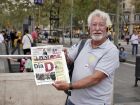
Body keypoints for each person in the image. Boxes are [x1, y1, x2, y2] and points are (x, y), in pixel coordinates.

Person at [52, 9, 119, 105]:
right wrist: (64, 56)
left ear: (107, 28)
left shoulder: (111, 50)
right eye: (94, 24)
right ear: (89, 28)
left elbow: (95, 79)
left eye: (101, 25)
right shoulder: (82, 43)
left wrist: (69, 86)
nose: (97, 28)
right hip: (72, 100)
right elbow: (69, 60)